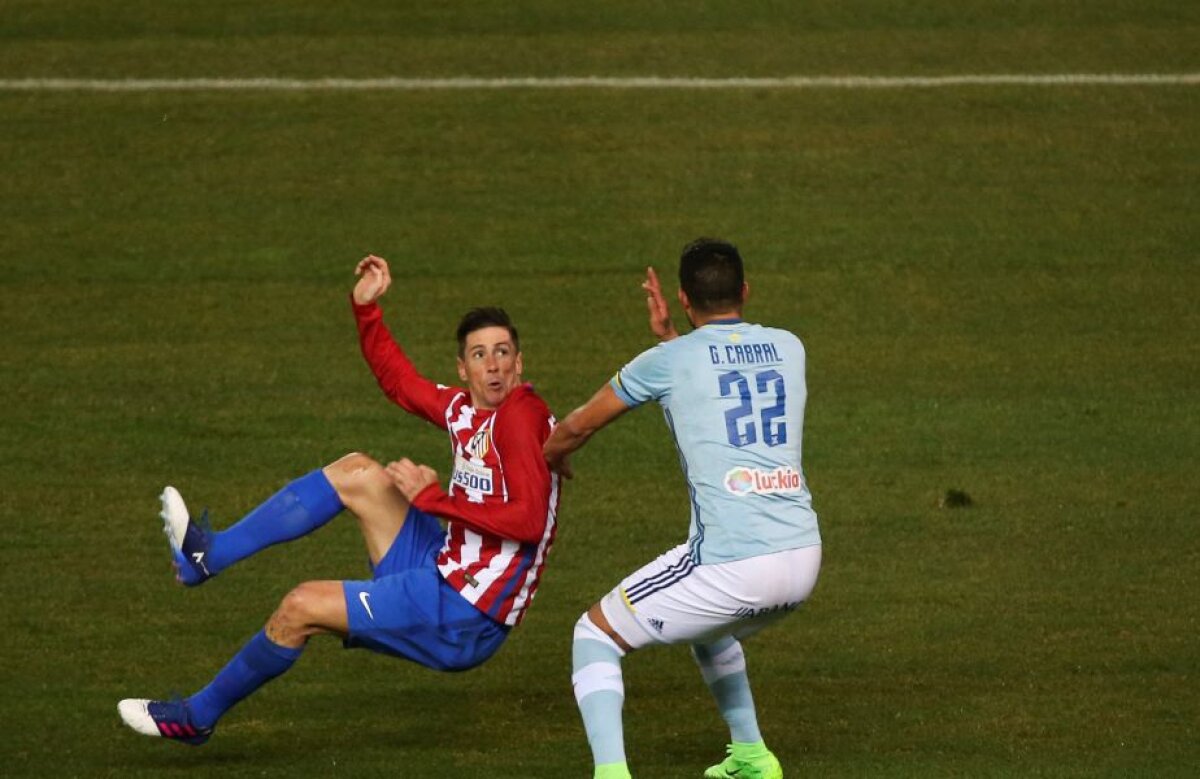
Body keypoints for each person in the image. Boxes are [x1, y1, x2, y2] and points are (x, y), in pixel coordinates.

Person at [119, 254, 560, 745]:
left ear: (519, 363)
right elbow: (399, 383)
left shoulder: (520, 420)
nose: (493, 364)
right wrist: (366, 309)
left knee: (300, 606)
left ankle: (195, 717)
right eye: (479, 354)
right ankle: (209, 555)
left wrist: (434, 501)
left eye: (502, 352)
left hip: (463, 614)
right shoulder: (466, 410)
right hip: (441, 567)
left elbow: (528, 522)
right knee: (357, 472)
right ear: (464, 369)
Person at [543, 238, 822, 779]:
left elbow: (577, 426)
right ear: (745, 291)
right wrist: (672, 338)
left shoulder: (667, 362)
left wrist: (549, 457)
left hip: (733, 563)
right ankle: (752, 757)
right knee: (709, 630)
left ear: (684, 298)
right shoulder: (790, 347)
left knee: (594, 635)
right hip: (803, 557)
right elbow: (718, 380)